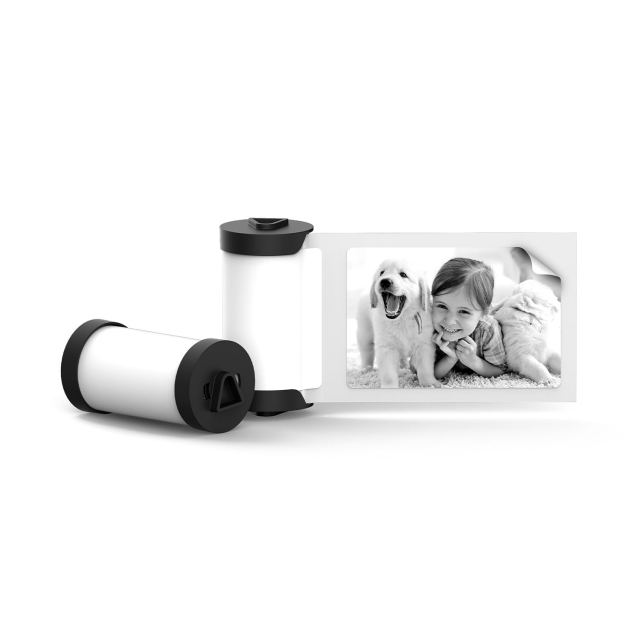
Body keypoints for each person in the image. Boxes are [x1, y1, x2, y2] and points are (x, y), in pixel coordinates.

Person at [431, 258, 508, 379]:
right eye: (442, 306)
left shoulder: (488, 330)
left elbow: (500, 370)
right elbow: (424, 374)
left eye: (463, 311)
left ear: (484, 312)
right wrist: (450, 358)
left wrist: (473, 361)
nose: (449, 321)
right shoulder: (427, 325)